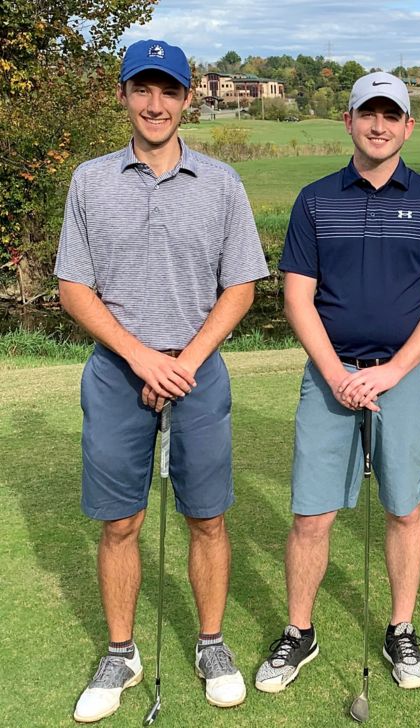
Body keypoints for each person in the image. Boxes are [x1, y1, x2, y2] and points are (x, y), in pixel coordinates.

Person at [57, 39, 269, 722]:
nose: (155, 104)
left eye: (168, 91)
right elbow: (73, 288)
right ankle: (122, 653)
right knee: (121, 521)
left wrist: (183, 362)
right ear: (123, 95)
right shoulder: (90, 180)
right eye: (142, 90)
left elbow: (239, 286)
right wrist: (143, 359)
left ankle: (211, 643)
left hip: (198, 369)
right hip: (118, 371)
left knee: (206, 516)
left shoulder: (222, 183)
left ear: (188, 99)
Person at [254, 71, 420, 694]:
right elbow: (298, 299)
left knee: (404, 508)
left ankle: (400, 628)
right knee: (311, 515)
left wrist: (392, 372)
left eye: (391, 115)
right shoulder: (315, 200)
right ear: (347, 121)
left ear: (408, 126)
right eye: (366, 114)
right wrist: (338, 376)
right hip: (331, 376)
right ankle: (300, 632)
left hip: (404, 376)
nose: (378, 125)